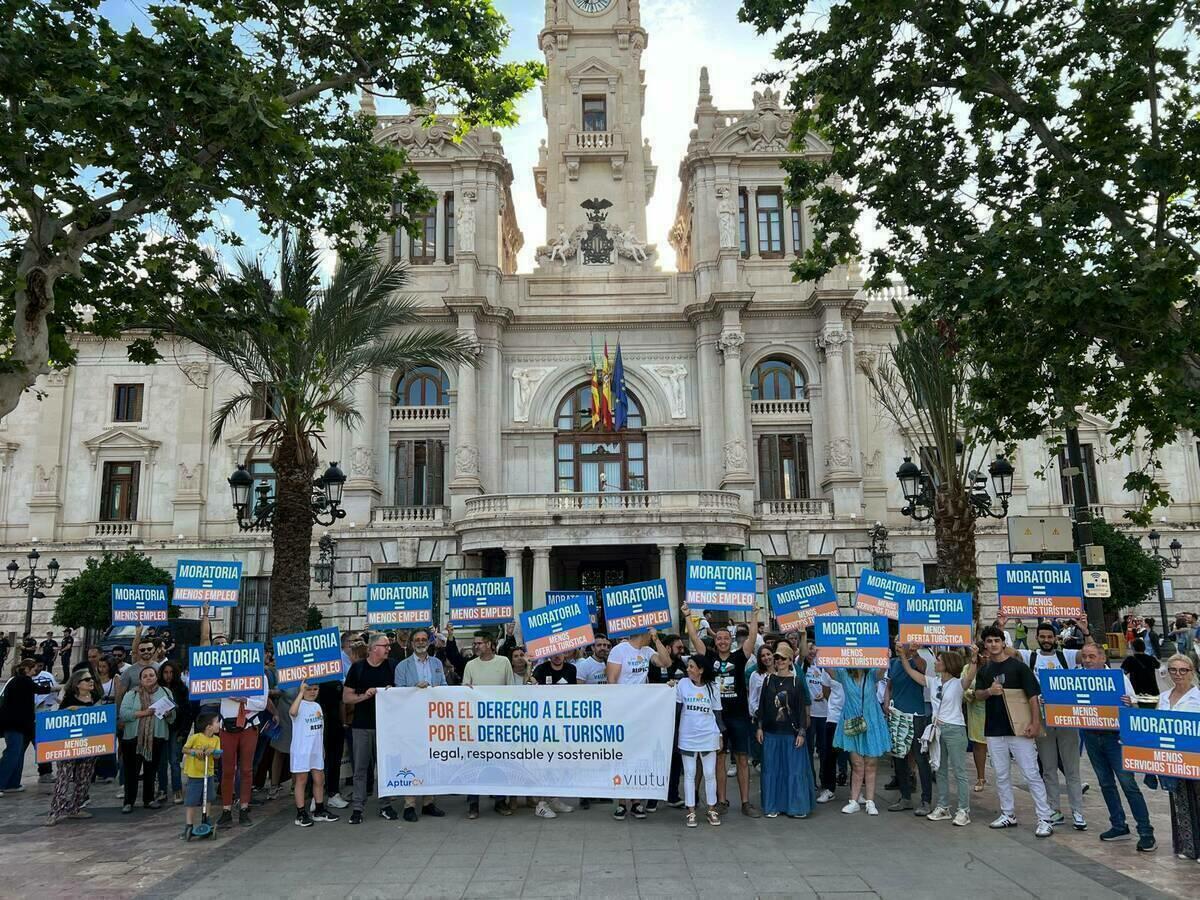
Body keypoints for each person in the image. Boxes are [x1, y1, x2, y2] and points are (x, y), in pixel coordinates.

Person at [681, 602, 762, 818]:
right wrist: (688, 616)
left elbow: (752, 639)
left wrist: (755, 615)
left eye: (727, 638)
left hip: (739, 715)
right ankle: (721, 800)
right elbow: (695, 639)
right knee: (719, 758)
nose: (723, 641)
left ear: (732, 641)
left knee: (742, 758)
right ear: (715, 641)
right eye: (719, 638)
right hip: (716, 718)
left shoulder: (739, 657)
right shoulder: (708, 657)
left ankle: (745, 802)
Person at [972, 624, 1054, 836]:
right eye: (989, 641)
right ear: (985, 646)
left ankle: (1044, 817)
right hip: (994, 728)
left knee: (1031, 773)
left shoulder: (1018, 667)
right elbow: (977, 694)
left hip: (1020, 729)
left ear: (1003, 643)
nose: (993, 644)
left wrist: (1035, 723)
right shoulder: (985, 670)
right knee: (1001, 774)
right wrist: (989, 691)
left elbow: (1033, 696)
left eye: (996, 641)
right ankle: (1008, 813)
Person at [1072, 643, 1155, 850]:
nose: (1088, 660)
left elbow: (1133, 704)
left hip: (1115, 737)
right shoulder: (1077, 678)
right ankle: (1118, 825)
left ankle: (1145, 831)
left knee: (1128, 784)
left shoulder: (1118, 678)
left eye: (1091, 656)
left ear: (1102, 658)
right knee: (1105, 783)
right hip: (1091, 735)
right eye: (1084, 656)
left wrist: (1130, 703)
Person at [1021, 623, 1087, 831]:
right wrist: (1002, 625)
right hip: (1043, 718)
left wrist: (1085, 631)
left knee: (1071, 769)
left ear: (1055, 638)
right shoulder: (1030, 657)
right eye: (1043, 636)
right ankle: (1054, 809)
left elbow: (1090, 653)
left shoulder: (1065, 656)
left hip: (1067, 718)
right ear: (1037, 637)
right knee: (1048, 768)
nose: (1046, 640)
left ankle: (1078, 811)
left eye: (1050, 636)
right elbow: (1004, 650)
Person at [607, 628, 672, 821]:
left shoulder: (647, 651)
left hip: (641, 712)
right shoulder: (620, 650)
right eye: (650, 634)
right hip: (623, 711)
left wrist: (656, 639)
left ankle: (636, 801)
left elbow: (666, 662)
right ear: (642, 632)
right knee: (621, 756)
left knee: (638, 755)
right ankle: (620, 802)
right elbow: (611, 680)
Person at [901, 648, 970, 826]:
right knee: (940, 769)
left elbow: (970, 676)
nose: (935, 662)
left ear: (948, 664)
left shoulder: (958, 683)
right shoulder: (934, 682)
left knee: (959, 771)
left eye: (939, 660)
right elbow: (910, 671)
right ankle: (943, 806)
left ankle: (964, 810)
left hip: (955, 729)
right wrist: (903, 654)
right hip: (937, 730)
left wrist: (976, 658)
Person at [343, 632, 398, 825]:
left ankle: (385, 805)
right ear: (374, 648)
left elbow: (402, 692)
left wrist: (393, 691)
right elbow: (346, 697)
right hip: (361, 726)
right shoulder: (358, 668)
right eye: (385, 646)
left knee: (384, 767)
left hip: (385, 726)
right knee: (361, 768)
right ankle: (358, 808)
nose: (388, 649)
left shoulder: (392, 666)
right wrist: (365, 696)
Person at [462, 632, 519, 819]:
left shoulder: (503, 662)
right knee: (474, 761)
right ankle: (473, 803)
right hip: (477, 723)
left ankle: (500, 800)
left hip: (498, 722)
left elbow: (510, 690)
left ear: (490, 644)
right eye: (474, 643)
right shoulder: (470, 665)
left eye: (479, 643)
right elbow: (465, 690)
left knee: (499, 760)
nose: (476, 646)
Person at [393, 627, 447, 821]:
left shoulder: (437, 663)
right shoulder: (402, 666)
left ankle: (428, 802)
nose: (421, 642)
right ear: (411, 643)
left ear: (429, 641)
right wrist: (414, 690)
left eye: (424, 639)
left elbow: (444, 688)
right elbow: (398, 694)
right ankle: (409, 804)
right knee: (410, 761)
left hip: (433, 721)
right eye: (417, 639)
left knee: (431, 760)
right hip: (411, 721)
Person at [755, 642, 814, 819]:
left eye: (783, 658)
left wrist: (802, 732)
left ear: (790, 661)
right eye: (777, 657)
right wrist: (759, 727)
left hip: (791, 733)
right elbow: (762, 706)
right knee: (771, 770)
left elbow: (802, 709)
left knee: (794, 771)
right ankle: (773, 806)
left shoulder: (796, 682)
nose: (779, 661)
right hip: (771, 732)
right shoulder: (767, 680)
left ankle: (796, 806)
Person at [45, 669, 101, 826]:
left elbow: (100, 714)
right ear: (77, 684)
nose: (91, 681)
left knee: (84, 777)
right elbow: (57, 718)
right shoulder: (68, 698)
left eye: (92, 679)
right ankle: (55, 810)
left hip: (89, 743)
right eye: (87, 679)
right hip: (69, 744)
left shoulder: (96, 697)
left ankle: (75, 807)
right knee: (63, 777)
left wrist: (83, 710)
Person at [1158, 653, 1200, 860]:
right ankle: (1187, 846)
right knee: (1179, 800)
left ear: (1191, 672)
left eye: (1183, 670)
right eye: (1173, 670)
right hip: (1173, 759)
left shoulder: (1198, 697)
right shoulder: (1164, 697)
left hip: (1196, 757)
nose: (1178, 674)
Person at [118, 664, 176, 813]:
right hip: (133, 738)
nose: (149, 678)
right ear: (140, 680)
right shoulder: (132, 693)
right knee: (132, 771)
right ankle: (128, 801)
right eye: (145, 676)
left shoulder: (165, 692)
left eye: (151, 675)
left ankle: (149, 799)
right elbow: (124, 714)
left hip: (156, 736)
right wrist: (145, 713)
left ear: (156, 677)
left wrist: (168, 714)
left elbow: (172, 717)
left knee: (151, 770)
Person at [832, 664, 889, 815]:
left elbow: (882, 670)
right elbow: (827, 668)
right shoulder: (843, 674)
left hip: (872, 721)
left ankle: (870, 801)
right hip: (852, 721)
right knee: (857, 764)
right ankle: (854, 801)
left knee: (871, 764)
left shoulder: (871, 673)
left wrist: (884, 655)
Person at [676, 646, 723, 826]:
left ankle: (711, 809)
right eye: (688, 666)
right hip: (687, 737)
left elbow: (717, 713)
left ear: (701, 669)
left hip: (708, 736)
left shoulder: (713, 687)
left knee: (710, 773)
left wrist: (720, 734)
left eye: (692, 666)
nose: (688, 669)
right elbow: (678, 709)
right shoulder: (682, 684)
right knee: (689, 773)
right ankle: (691, 811)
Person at [885, 643, 933, 815]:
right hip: (897, 713)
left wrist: (912, 653)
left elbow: (922, 668)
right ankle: (905, 797)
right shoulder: (893, 663)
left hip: (916, 714)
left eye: (901, 641)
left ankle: (926, 800)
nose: (898, 644)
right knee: (899, 756)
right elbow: (889, 685)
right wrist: (886, 702)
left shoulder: (919, 660)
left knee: (920, 757)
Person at [530, 652, 578, 819]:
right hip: (545, 724)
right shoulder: (540, 669)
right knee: (546, 762)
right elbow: (529, 687)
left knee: (561, 762)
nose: (558, 656)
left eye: (561, 653)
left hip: (564, 724)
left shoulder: (572, 669)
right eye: (554, 653)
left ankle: (554, 798)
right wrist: (531, 673)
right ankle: (541, 804)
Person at [289, 680, 339, 827]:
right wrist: (300, 693)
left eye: (315, 689)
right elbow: (292, 712)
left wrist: (321, 747)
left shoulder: (317, 706)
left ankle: (319, 809)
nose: (312, 692)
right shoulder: (299, 704)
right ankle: (300, 813)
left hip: (315, 749)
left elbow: (320, 729)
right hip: (301, 749)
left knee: (319, 779)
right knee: (302, 780)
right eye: (309, 689)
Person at [0, 658, 41, 793]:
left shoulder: (15, 680)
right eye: (35, 669)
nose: (37, 671)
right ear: (27, 669)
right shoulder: (23, 681)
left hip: (17, 724)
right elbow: (41, 689)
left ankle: (12, 783)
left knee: (17, 754)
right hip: (15, 725)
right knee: (13, 753)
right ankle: (3, 783)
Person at [181, 712, 221, 841]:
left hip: (208, 773)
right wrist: (194, 751)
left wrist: (213, 752)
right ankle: (189, 825)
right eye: (216, 722)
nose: (219, 724)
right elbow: (185, 749)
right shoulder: (196, 737)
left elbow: (217, 755)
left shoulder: (216, 739)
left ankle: (207, 819)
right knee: (191, 801)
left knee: (208, 798)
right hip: (195, 774)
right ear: (208, 726)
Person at [157, 660, 191, 805]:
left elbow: (186, 712)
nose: (168, 675)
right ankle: (162, 789)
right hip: (160, 728)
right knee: (161, 762)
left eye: (171, 672)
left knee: (175, 760)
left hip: (176, 729)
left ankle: (177, 789)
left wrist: (183, 731)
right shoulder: (157, 688)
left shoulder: (181, 689)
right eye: (165, 672)